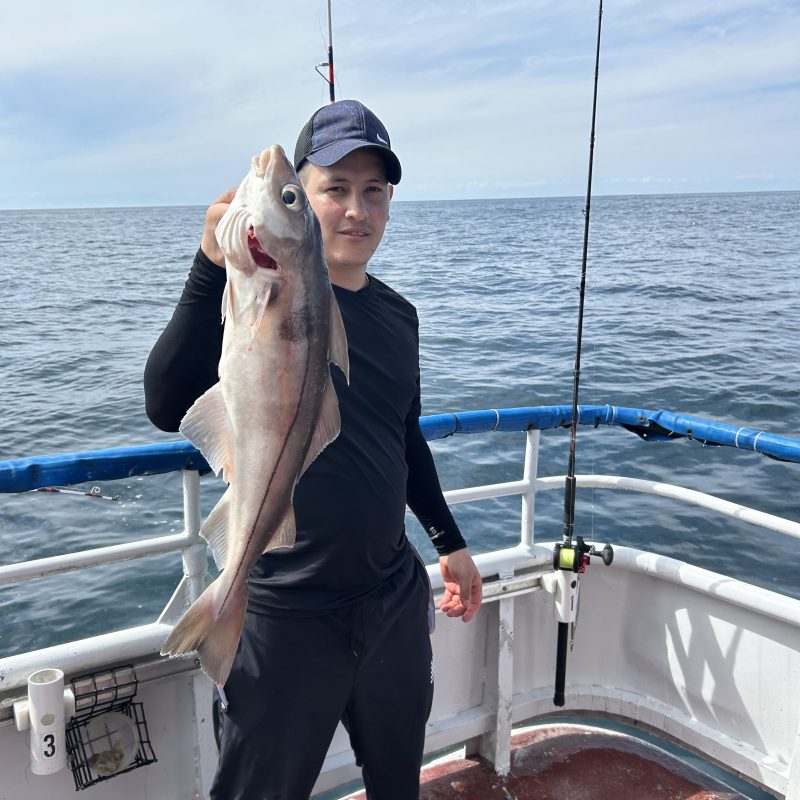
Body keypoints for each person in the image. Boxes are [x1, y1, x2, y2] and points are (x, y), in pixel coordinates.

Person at [144, 99, 482, 800]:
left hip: (390, 600)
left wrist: (449, 541)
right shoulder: (250, 294)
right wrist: (212, 263)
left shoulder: (399, 316)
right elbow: (166, 402)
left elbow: (404, 435)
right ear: (302, 198)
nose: (356, 210)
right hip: (283, 611)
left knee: (398, 784)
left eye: (375, 192)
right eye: (332, 189)